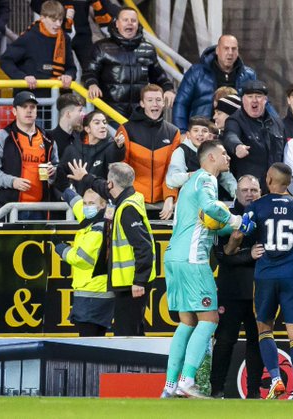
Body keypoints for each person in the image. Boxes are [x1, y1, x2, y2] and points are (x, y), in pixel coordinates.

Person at [160, 140, 254, 398]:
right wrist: (237, 219)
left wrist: (234, 228)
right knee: (210, 319)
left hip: (174, 257)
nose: (228, 158)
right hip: (193, 259)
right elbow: (212, 208)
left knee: (187, 322)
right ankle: (187, 380)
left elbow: (206, 222)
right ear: (211, 157)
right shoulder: (206, 180)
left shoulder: (189, 183)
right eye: (224, 154)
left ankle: (169, 386)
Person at [230, 162, 293, 400]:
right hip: (292, 276)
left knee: (264, 330)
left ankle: (277, 380)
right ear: (288, 183)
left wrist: (230, 249)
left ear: (268, 180)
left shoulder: (257, 206)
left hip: (266, 276)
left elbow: (239, 234)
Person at [66, 161, 155, 336]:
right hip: (125, 282)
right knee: (131, 329)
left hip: (131, 283)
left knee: (127, 333)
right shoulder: (123, 197)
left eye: (108, 181)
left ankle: (132, 363)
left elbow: (144, 247)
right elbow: (102, 187)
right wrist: (85, 178)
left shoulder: (127, 209)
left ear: (112, 183)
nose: (106, 185)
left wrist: (139, 281)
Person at [210, 175, 263, 399]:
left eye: (254, 189)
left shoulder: (266, 215)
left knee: (257, 341)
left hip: (259, 291)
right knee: (224, 341)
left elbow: (267, 252)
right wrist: (248, 255)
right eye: (244, 190)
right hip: (231, 290)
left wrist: (240, 254)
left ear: (261, 192)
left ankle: (253, 393)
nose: (249, 194)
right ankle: (216, 390)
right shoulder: (225, 217)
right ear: (236, 193)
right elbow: (221, 256)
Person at [82, 7, 175, 119]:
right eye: (125, 20)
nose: (129, 23)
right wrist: (92, 84)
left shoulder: (147, 49)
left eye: (133, 20)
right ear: (117, 23)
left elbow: (160, 77)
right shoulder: (101, 47)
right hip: (110, 114)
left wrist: (168, 90)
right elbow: (89, 73)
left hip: (140, 114)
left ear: (137, 24)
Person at [0, 91, 58, 218]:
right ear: (14, 111)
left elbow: (56, 167)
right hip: (10, 208)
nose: (29, 111)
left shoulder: (48, 139)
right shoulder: (2, 137)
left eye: (32, 107)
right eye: (24, 107)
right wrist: (12, 182)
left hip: (41, 209)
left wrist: (53, 173)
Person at [53, 188, 113, 336]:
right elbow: (78, 206)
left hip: (92, 295)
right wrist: (64, 188)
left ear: (103, 205)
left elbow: (81, 258)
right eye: (85, 203)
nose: (87, 207)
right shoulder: (100, 219)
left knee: (89, 343)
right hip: (98, 293)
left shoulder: (97, 230)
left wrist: (61, 248)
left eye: (91, 203)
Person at [117, 83, 180, 219]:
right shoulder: (126, 129)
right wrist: (127, 197)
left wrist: (169, 197)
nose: (155, 104)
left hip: (163, 205)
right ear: (142, 103)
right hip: (133, 202)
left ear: (163, 103)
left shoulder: (173, 132)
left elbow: (173, 169)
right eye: (150, 100)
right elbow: (121, 169)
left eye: (158, 100)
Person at [172, 34, 257, 133]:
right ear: (217, 50)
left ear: (237, 52)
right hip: (201, 135)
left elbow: (262, 103)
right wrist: (181, 133)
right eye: (226, 48)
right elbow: (181, 104)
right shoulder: (196, 72)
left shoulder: (248, 75)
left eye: (234, 49)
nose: (230, 53)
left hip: (237, 134)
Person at [0, 0, 76, 97]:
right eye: (54, 20)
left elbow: (71, 67)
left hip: (57, 97)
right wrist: (23, 77)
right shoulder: (28, 38)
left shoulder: (65, 39)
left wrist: (69, 76)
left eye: (60, 20)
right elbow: (5, 60)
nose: (58, 24)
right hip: (31, 98)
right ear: (42, 18)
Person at [222, 80, 285, 191]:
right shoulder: (235, 120)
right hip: (249, 190)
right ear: (243, 100)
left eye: (258, 96)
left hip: (274, 188)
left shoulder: (277, 122)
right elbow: (230, 136)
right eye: (250, 96)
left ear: (265, 100)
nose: (254, 100)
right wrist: (237, 146)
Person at [30, 0, 120, 69]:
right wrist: (60, 12)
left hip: (83, 35)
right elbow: (36, 4)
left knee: (92, 69)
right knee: (61, 72)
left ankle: (92, 92)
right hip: (57, 34)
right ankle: (65, 94)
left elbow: (106, 4)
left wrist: (124, 14)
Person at [166, 115, 237, 201]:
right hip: (190, 202)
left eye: (204, 131)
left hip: (212, 201)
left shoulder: (216, 150)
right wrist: (191, 175)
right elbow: (172, 179)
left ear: (209, 135)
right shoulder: (181, 151)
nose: (200, 134)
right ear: (188, 135)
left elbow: (227, 178)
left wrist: (237, 194)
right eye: (196, 130)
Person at [55, 110, 124, 192]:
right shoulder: (71, 150)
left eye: (104, 122)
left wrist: (119, 147)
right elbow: (60, 177)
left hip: (101, 201)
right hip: (77, 202)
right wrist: (69, 194)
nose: (103, 126)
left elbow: (115, 158)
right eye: (97, 123)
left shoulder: (111, 147)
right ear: (87, 129)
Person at [46, 92, 84, 158]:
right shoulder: (48, 139)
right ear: (68, 114)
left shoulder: (82, 138)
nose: (83, 114)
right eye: (80, 110)